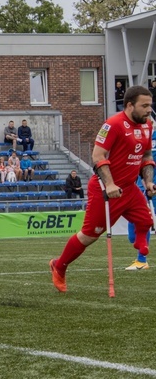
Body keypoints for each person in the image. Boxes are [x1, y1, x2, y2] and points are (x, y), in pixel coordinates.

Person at [50, 85, 155, 293]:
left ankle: (141, 247)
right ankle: (59, 265)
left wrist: (148, 181)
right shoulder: (113, 124)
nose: (149, 110)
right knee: (89, 236)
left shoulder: (148, 125)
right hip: (105, 189)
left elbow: (146, 156)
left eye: (150, 106)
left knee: (146, 220)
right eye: (144, 106)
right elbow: (98, 156)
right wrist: (110, 184)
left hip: (129, 188)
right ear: (129, 105)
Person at [125, 178, 153, 271]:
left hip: (150, 191)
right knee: (132, 238)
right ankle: (141, 258)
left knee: (142, 222)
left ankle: (142, 260)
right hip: (138, 190)